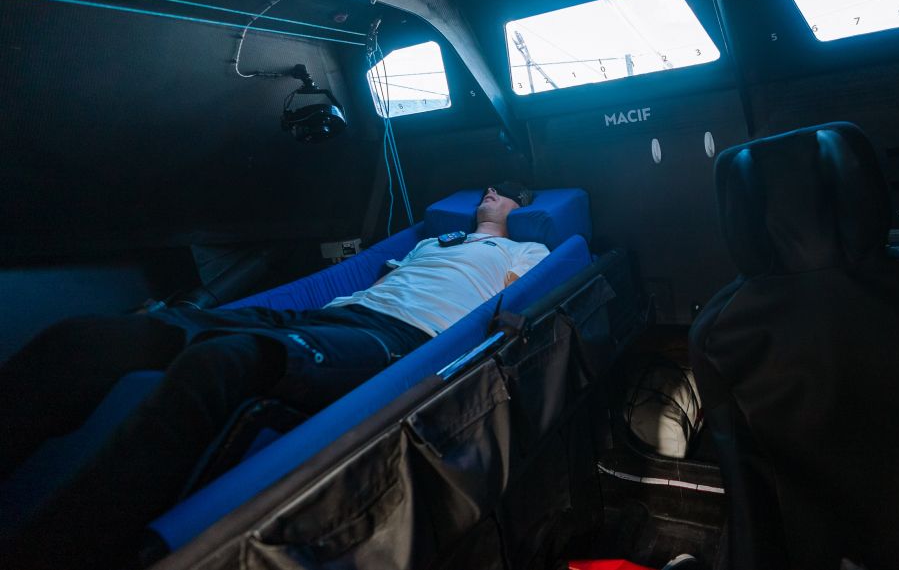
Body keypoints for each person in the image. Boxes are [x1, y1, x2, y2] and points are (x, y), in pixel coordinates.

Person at [0, 182, 548, 569]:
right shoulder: (431, 241)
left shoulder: (527, 248)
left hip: (402, 337)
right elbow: (380, 276)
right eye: (485, 190)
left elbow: (517, 303)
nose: (487, 194)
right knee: (85, 338)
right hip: (335, 313)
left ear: (517, 208)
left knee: (221, 361)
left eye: (499, 193)